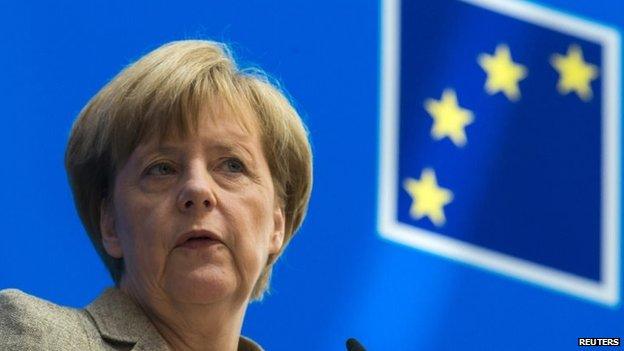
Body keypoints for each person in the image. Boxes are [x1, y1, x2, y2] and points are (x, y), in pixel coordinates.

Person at [0, 40, 313, 351]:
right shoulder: (36, 338)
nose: (198, 189)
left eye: (232, 165)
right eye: (162, 168)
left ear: (277, 224)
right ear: (110, 223)